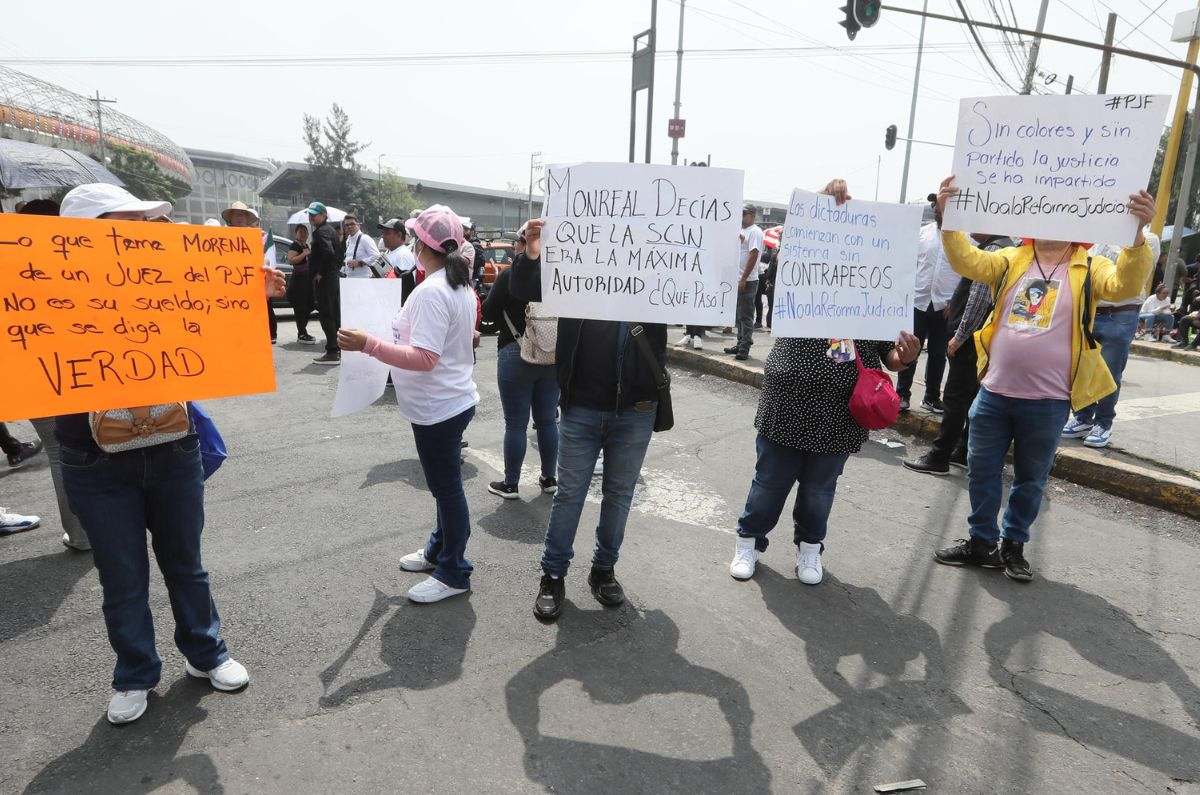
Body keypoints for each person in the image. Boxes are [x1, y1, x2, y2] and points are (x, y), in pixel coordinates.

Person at [54, 182, 284, 724]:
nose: (140, 234)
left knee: (186, 563)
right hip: (93, 459)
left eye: (143, 224)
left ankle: (207, 653)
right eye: (125, 223)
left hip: (172, 445)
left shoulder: (160, 279)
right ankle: (135, 674)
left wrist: (249, 296)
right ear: (80, 233)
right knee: (122, 576)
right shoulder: (42, 290)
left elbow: (218, 338)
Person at [931, 177, 1155, 583]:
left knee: (1031, 479)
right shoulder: (1013, 258)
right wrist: (949, 219)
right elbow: (968, 261)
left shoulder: (1090, 266)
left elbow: (1126, 284)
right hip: (994, 391)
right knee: (980, 471)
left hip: (1049, 400)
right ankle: (981, 542)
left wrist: (1137, 236)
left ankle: (1013, 544)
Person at [728, 180, 921, 585]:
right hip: (788, 399)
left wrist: (905, 358)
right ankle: (749, 541)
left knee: (819, 491)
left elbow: (888, 355)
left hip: (841, 411)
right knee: (769, 484)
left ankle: (810, 549)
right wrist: (823, 200)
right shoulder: (803, 269)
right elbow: (802, 238)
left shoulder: (876, 294)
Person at [509, 218, 667, 622]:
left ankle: (604, 570)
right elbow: (525, 291)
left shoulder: (660, 274)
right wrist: (532, 251)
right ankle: (553, 574)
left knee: (619, 495)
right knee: (569, 495)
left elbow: (709, 286)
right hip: (581, 406)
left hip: (636, 409)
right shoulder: (579, 271)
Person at [337, 205, 479, 604]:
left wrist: (369, 344)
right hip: (447, 400)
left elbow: (425, 357)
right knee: (443, 487)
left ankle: (454, 571)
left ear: (422, 243)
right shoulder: (453, 284)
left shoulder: (435, 291)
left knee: (447, 489)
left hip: (440, 406)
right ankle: (439, 552)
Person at [903, 234, 1014, 475]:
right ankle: (962, 451)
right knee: (971, 397)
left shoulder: (993, 251)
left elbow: (978, 301)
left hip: (970, 343)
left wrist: (959, 337)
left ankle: (939, 456)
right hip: (983, 341)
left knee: (955, 399)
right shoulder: (1001, 248)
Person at [1060, 228, 1163, 449]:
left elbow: (1135, 271)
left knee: (1110, 370)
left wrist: (1132, 230)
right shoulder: (1097, 233)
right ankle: (1082, 418)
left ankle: (1103, 423)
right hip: (1090, 309)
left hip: (1121, 312)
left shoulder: (1148, 238)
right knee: (1082, 366)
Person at [481, 224, 559, 500]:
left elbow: (488, 314)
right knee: (548, 421)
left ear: (522, 245)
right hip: (551, 354)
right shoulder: (557, 278)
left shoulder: (510, 276)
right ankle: (550, 478)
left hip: (515, 350)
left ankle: (511, 484)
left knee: (516, 424)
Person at [897, 193, 960, 413]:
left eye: (940, 205)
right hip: (918, 301)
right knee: (909, 349)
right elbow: (907, 266)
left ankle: (931, 397)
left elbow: (967, 274)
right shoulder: (922, 234)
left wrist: (955, 300)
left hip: (944, 306)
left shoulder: (964, 239)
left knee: (937, 354)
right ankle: (901, 395)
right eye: (934, 205)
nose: (936, 208)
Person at [222, 201, 277, 343]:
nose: (240, 218)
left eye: (243, 214)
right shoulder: (220, 238)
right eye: (236, 215)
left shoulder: (258, 238)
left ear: (247, 219)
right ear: (230, 219)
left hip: (252, 292)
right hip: (227, 292)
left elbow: (265, 262)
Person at [724, 205, 763, 361]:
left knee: (746, 315)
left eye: (744, 214)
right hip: (738, 279)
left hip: (748, 280)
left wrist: (744, 278)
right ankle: (740, 342)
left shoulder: (755, 231)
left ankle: (744, 347)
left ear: (752, 215)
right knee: (739, 314)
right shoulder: (742, 231)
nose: (741, 217)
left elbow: (753, 255)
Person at [308, 202, 342, 364]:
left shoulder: (321, 232)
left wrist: (320, 273)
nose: (311, 217)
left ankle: (333, 351)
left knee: (327, 315)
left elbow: (328, 253)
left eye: (314, 214)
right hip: (333, 277)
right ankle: (337, 348)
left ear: (323, 215)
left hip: (327, 279)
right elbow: (337, 253)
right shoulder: (330, 231)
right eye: (310, 214)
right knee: (334, 314)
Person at [286, 224, 317, 343]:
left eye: (305, 231)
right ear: (296, 233)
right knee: (300, 308)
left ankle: (303, 332)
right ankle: (302, 333)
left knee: (309, 305)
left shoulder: (306, 245)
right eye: (300, 232)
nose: (303, 234)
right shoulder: (295, 245)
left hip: (307, 281)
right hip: (298, 281)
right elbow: (291, 260)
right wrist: (304, 254)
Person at [377, 218, 419, 301]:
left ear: (399, 235)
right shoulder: (389, 252)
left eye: (387, 233)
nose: (383, 236)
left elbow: (404, 287)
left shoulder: (403, 255)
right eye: (383, 233)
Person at [339, 214, 380, 279]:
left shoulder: (365, 239)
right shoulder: (348, 240)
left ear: (358, 225)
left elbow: (377, 256)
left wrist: (360, 263)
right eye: (347, 225)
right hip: (349, 278)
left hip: (363, 278)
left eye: (352, 224)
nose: (349, 227)